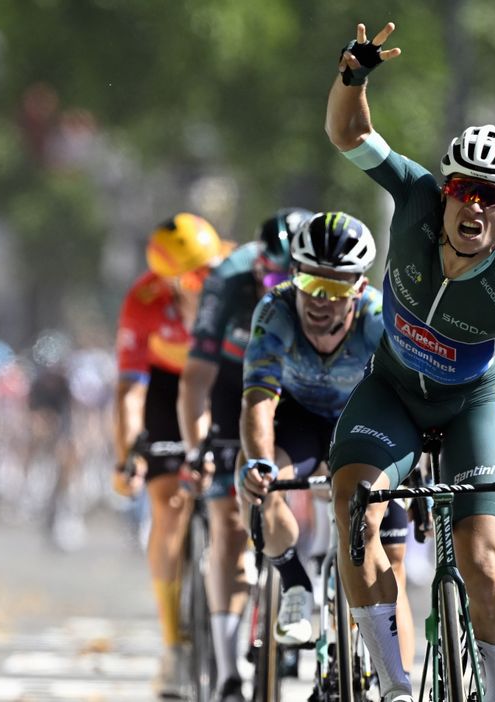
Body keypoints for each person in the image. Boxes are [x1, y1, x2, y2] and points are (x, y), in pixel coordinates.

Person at [325, 22, 495, 702]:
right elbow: (348, 136)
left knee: (486, 564)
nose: (475, 207)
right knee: (352, 509)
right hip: (392, 392)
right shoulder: (419, 198)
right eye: (466, 189)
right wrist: (353, 77)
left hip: (471, 407)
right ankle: (396, 685)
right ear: (448, 188)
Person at [235, 212, 417, 675]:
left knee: (391, 562)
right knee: (258, 476)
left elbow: (411, 403)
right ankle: (294, 581)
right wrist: (259, 463)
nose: (321, 302)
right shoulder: (274, 310)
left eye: (336, 289)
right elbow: (257, 401)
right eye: (312, 284)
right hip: (297, 419)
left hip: (363, 419)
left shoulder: (379, 319)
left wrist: (417, 472)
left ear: (358, 287)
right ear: (293, 274)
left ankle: (397, 678)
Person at [177, 207, 311, 702]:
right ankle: (229, 672)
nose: (284, 287)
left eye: (297, 278)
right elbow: (195, 380)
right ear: (259, 267)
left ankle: (304, 591)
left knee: (310, 485)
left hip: (297, 385)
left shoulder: (316, 295)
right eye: (275, 276)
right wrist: (198, 449)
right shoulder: (228, 281)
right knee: (229, 524)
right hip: (234, 384)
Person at [113, 212, 226, 698]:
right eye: (194, 276)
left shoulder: (237, 283)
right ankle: (174, 641)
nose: (207, 282)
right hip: (165, 388)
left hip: (223, 380)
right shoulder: (143, 302)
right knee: (167, 503)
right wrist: (126, 457)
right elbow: (128, 392)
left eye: (211, 269)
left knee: (237, 502)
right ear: (169, 281)